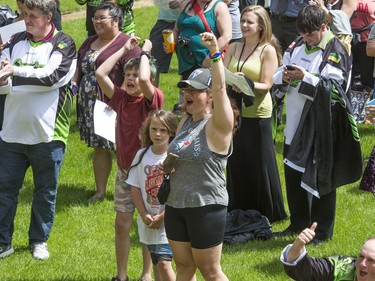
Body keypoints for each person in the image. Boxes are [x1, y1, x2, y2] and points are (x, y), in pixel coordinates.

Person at [273, 5, 362, 242]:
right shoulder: (297, 43)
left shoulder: (336, 50)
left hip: (321, 126)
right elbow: (281, 69)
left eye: (310, 34)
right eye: (302, 33)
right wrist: (283, 76)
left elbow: (334, 90)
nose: (306, 39)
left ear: (324, 27)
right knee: (292, 173)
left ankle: (321, 231)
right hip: (294, 123)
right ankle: (298, 223)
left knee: (321, 177)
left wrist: (304, 78)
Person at [0, 0, 76, 260]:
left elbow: (51, 77)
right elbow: (3, 82)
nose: (26, 19)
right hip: (11, 131)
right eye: (23, 14)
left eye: (32, 15)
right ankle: (2, 243)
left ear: (49, 16)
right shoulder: (12, 41)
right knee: (4, 190)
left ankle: (39, 241)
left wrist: (13, 73)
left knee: (45, 192)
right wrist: (3, 79)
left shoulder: (64, 43)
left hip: (49, 135)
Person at [164, 32, 235, 281]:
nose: (187, 94)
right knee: (183, 268)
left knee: (210, 271)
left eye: (195, 90)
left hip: (206, 205)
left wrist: (215, 52)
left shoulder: (218, 126)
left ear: (210, 97)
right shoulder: (186, 120)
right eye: (185, 89)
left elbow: (221, 86)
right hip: (176, 204)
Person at [96, 37, 164, 281]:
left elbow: (146, 80)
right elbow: (100, 72)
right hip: (125, 171)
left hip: (148, 173)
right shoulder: (121, 99)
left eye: (136, 74)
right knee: (121, 224)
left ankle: (146, 274)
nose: (132, 78)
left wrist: (144, 52)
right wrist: (124, 49)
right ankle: (121, 275)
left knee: (147, 224)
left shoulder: (152, 101)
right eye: (128, 74)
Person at [223, 5, 287, 222]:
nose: (244, 25)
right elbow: (223, 74)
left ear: (261, 25)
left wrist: (246, 83)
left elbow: (267, 84)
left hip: (257, 112)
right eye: (242, 21)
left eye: (249, 22)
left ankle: (267, 210)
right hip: (234, 111)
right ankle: (238, 206)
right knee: (236, 160)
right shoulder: (233, 47)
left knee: (260, 161)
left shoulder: (267, 50)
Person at [72, 2, 140, 202]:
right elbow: (79, 64)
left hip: (114, 105)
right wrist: (75, 82)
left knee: (125, 147)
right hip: (89, 105)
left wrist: (122, 100)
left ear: (117, 21)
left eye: (102, 18)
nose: (97, 22)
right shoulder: (89, 41)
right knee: (100, 147)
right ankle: (100, 192)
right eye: (95, 18)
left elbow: (138, 75)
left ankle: (132, 191)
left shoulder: (128, 44)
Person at [128, 110, 178, 281]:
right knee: (157, 263)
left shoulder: (174, 158)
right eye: (154, 129)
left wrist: (162, 217)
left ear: (171, 131)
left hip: (169, 221)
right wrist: (143, 214)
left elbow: (179, 193)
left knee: (164, 264)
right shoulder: (141, 155)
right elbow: (134, 187)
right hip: (148, 220)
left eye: (163, 130)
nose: (157, 134)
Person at [172, 0, 232, 114]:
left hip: (206, 65)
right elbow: (176, 29)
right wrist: (171, 42)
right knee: (188, 102)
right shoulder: (186, 4)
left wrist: (210, 57)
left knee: (204, 105)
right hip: (186, 63)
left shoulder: (219, 7)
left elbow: (226, 35)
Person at [280, 222, 375, 281]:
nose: (362, 264)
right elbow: (305, 270)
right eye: (361, 256)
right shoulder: (342, 268)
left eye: (371, 260)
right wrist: (298, 246)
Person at [149, 0, 180, 87]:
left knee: (188, 66)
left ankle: (186, 99)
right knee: (153, 66)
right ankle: (153, 99)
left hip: (186, 21)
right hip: (164, 21)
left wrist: (183, 1)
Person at [351, 0, 375, 87]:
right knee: (349, 76)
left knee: (367, 79)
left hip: (366, 42)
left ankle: (368, 99)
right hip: (349, 40)